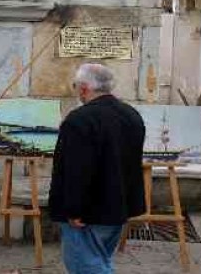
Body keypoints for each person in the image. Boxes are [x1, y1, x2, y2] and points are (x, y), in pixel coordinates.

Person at [49, 63, 146, 274]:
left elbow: (76, 170)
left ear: (84, 88)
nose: (76, 91)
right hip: (118, 208)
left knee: (86, 267)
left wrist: (73, 210)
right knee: (102, 261)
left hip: (88, 213)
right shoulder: (131, 115)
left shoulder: (79, 120)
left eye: (75, 86)